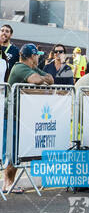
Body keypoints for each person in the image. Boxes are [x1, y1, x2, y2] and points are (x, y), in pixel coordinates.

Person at [4, 44, 54, 194]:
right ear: (32, 56)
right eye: (37, 55)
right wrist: (41, 78)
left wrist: (42, 77)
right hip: (10, 115)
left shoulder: (31, 68)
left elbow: (50, 79)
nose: (39, 57)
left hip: (21, 115)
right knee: (9, 151)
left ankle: (9, 183)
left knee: (15, 152)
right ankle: (7, 183)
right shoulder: (20, 67)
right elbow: (37, 80)